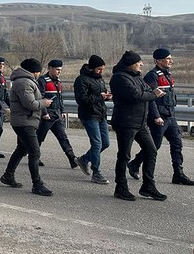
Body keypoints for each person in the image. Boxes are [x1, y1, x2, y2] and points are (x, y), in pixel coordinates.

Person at [129, 48, 194, 186]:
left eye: (171, 58)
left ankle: (179, 174)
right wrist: (156, 116)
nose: (171, 61)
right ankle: (135, 164)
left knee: (177, 144)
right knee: (154, 146)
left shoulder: (168, 75)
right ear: (159, 60)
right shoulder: (152, 76)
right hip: (158, 117)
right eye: (168, 58)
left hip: (170, 116)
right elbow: (150, 98)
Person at [110, 51, 167, 201]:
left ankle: (148, 186)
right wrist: (154, 94)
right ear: (131, 64)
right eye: (138, 62)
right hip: (126, 122)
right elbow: (136, 96)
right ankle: (121, 187)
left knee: (151, 151)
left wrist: (150, 93)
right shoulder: (120, 78)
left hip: (141, 122)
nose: (141, 64)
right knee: (124, 155)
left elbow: (146, 91)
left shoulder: (137, 76)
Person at [0, 59, 54, 196]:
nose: (39, 74)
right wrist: (45, 103)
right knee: (34, 152)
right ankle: (37, 184)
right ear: (34, 71)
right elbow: (31, 104)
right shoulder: (24, 82)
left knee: (21, 149)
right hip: (24, 121)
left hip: (26, 120)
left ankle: (8, 175)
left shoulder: (26, 80)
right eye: (38, 71)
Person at [74, 55, 113, 184]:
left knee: (105, 143)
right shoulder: (82, 80)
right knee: (96, 143)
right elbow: (81, 99)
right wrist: (99, 97)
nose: (101, 71)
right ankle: (96, 172)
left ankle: (84, 159)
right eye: (99, 69)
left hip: (101, 114)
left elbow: (100, 94)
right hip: (89, 115)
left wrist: (106, 96)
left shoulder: (100, 79)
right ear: (91, 68)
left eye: (102, 69)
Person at [36, 60, 79, 169]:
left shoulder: (58, 82)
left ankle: (72, 159)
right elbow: (39, 98)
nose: (59, 72)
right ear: (50, 68)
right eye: (57, 69)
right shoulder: (42, 81)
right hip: (47, 115)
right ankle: (34, 157)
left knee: (63, 137)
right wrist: (44, 113)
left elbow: (60, 98)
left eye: (60, 70)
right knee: (39, 137)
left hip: (57, 114)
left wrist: (63, 111)